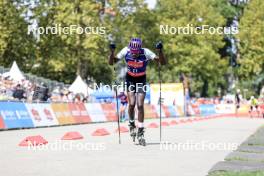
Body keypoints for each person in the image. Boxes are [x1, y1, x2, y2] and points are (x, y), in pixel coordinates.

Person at [109, 38, 166, 145]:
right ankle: (131, 123)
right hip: (130, 79)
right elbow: (111, 62)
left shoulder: (146, 52)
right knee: (131, 103)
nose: (134, 55)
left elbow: (162, 63)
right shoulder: (125, 50)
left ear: (139, 50)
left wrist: (160, 51)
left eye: (136, 53)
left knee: (140, 105)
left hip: (141, 79)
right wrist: (112, 52)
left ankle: (140, 131)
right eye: (132, 53)